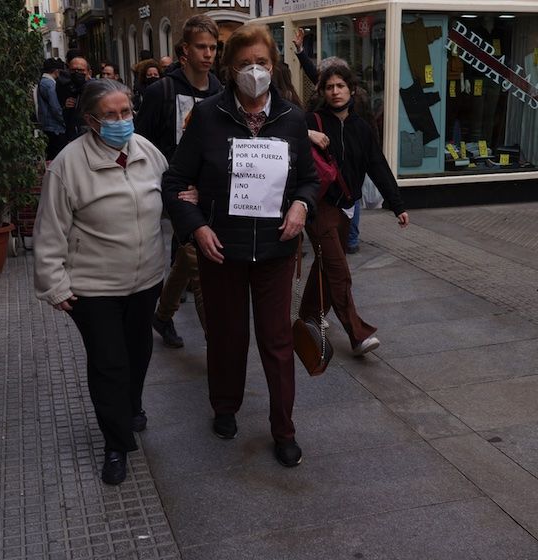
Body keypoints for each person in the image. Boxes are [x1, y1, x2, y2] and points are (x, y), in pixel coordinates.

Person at [162, 24, 319, 467]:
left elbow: (308, 179)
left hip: (275, 250)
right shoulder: (209, 116)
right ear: (230, 70)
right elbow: (174, 180)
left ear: (274, 66)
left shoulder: (292, 119)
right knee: (228, 337)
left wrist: (301, 208)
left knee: (276, 341)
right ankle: (225, 407)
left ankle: (283, 428)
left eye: (263, 63)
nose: (255, 71)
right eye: (246, 64)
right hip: (221, 251)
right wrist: (196, 228)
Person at [33, 79, 169, 486]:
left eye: (126, 112)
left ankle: (131, 405)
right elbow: (50, 230)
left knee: (139, 351)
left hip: (146, 279)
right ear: (91, 120)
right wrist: (54, 284)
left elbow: (173, 189)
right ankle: (116, 442)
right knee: (109, 362)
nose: (121, 121)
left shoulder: (146, 151)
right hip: (93, 288)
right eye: (110, 115)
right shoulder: (67, 166)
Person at [300, 63, 409, 356]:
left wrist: (396, 204)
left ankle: (308, 315)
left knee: (325, 264)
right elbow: (282, 130)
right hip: (318, 206)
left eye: (340, 86)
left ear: (351, 90)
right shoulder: (311, 120)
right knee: (338, 270)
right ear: (322, 91)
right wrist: (307, 134)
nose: (335, 92)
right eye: (329, 87)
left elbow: (377, 165)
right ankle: (357, 334)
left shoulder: (362, 126)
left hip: (347, 207)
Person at [136, 14, 222, 348]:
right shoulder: (162, 90)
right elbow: (140, 141)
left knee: (187, 255)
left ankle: (162, 314)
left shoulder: (220, 90)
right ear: (185, 49)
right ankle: (217, 344)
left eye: (213, 47)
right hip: (174, 186)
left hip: (208, 188)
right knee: (198, 261)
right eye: (202, 47)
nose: (209, 54)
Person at [292, 28, 380, 254]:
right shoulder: (345, 92)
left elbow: (367, 126)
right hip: (339, 155)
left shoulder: (341, 99)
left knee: (348, 192)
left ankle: (345, 236)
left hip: (342, 155)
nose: (331, 89)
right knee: (350, 193)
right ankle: (347, 237)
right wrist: (301, 52)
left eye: (335, 83)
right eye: (327, 83)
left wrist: (372, 151)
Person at [37, 58, 67, 160]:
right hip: (55, 127)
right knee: (56, 157)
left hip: (47, 125)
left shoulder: (42, 82)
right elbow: (55, 107)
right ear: (56, 71)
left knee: (50, 156)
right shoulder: (50, 85)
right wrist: (64, 121)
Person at [57, 55, 91, 141]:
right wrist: (65, 107)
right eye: (73, 70)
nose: (77, 73)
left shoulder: (95, 90)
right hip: (73, 136)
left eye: (80, 70)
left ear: (88, 73)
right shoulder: (65, 88)